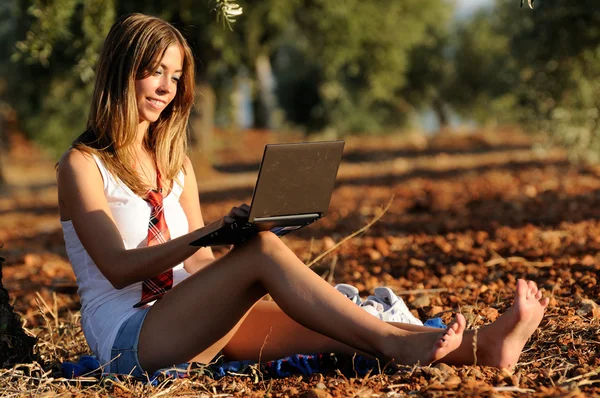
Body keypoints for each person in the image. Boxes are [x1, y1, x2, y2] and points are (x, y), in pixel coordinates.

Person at [56, 13, 549, 379]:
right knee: (269, 257)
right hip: (129, 339)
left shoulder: (177, 164)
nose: (166, 87)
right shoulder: (81, 165)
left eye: (176, 75)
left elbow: (199, 266)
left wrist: (247, 251)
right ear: (122, 70)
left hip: (189, 317)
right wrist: (225, 236)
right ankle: (397, 347)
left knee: (337, 327)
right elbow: (119, 267)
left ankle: (486, 348)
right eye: (154, 71)